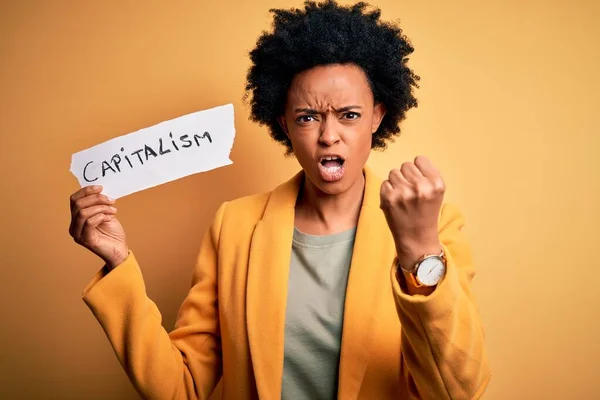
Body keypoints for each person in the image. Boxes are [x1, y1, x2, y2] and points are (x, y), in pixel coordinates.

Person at [69, 1, 490, 399]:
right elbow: (181, 387)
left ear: (378, 116)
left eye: (349, 114)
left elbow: (456, 391)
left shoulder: (435, 227)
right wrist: (118, 263)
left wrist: (418, 250)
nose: (329, 135)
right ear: (284, 124)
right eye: (308, 117)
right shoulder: (234, 226)